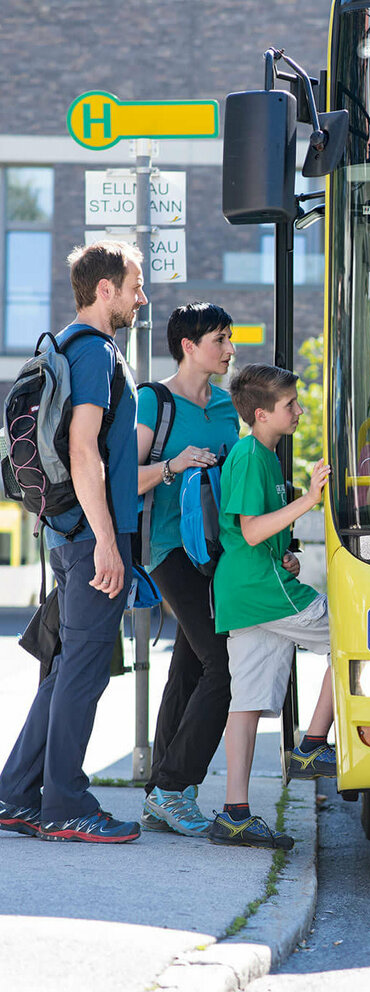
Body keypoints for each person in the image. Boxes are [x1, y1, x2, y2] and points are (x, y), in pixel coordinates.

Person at [0, 241, 146, 843]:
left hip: (65, 531)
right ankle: (66, 805)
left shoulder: (61, 345)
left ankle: (15, 795)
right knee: (82, 670)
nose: (142, 298)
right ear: (105, 290)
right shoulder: (94, 354)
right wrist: (108, 543)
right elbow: (84, 449)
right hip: (90, 538)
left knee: (66, 670)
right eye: (135, 286)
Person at [209, 363, 336, 849]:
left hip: (248, 593)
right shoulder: (249, 456)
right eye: (291, 405)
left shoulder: (263, 455)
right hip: (264, 591)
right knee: (355, 636)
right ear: (261, 414)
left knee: (246, 705)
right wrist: (309, 500)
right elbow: (250, 529)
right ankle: (311, 746)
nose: (300, 411)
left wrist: (286, 550)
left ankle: (235, 814)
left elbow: (263, 533)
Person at [135, 303, 240, 836]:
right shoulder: (153, 400)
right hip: (168, 547)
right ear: (189, 346)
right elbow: (123, 480)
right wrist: (175, 464)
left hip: (215, 551)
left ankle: (159, 790)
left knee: (190, 667)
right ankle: (177, 786)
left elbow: (235, 486)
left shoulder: (226, 408)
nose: (229, 348)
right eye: (220, 338)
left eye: (230, 337)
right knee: (224, 665)